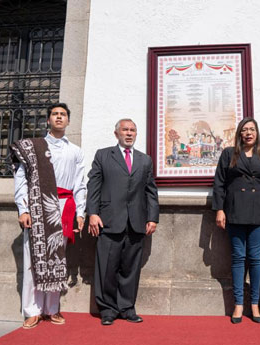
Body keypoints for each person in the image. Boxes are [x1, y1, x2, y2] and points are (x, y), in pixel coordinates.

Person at [11, 103, 87, 329]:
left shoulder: (76, 151)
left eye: (63, 114)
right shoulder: (33, 147)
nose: (59, 117)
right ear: (48, 120)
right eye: (55, 114)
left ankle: (52, 309)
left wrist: (80, 213)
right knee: (32, 259)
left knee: (57, 257)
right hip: (36, 207)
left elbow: (80, 184)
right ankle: (32, 310)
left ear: (68, 121)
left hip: (64, 209)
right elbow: (21, 179)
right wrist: (23, 209)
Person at [87, 118, 159, 326]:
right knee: (107, 269)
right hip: (108, 221)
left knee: (130, 269)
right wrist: (92, 213)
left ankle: (127, 308)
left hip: (136, 223)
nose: (129, 133)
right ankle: (108, 310)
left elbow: (150, 191)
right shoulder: (103, 155)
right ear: (116, 133)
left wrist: (152, 217)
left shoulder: (145, 160)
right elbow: (94, 186)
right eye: (125, 130)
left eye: (133, 130)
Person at [212, 117, 260, 324]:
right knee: (238, 257)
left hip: (258, 212)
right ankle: (239, 304)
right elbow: (219, 183)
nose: (248, 133)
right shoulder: (229, 154)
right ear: (239, 134)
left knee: (255, 258)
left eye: (252, 130)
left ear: (257, 133)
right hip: (235, 210)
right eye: (244, 130)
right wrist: (220, 209)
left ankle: (254, 303)